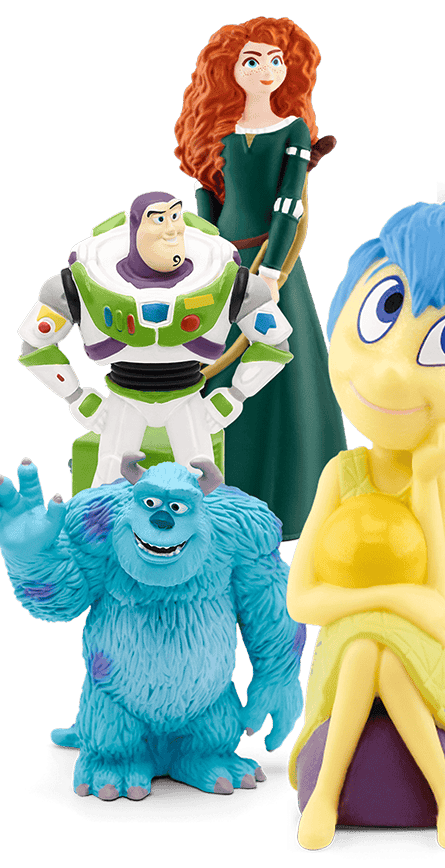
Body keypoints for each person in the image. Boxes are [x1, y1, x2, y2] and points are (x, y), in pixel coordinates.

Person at [286, 178, 445, 851]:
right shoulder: (340, 475)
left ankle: (336, 801)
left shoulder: (439, 482)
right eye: (385, 308)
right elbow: (302, 599)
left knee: (382, 654)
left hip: (422, 649)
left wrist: (430, 475)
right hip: (348, 641)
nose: (391, 374)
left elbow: (437, 604)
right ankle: (437, 801)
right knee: (366, 647)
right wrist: (382, 601)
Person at [175, 17, 345, 540]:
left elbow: (289, 205)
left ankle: (292, 500)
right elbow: (207, 205)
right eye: (253, 60)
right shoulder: (219, 133)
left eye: (277, 61)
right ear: (229, 70)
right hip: (223, 267)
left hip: (271, 265)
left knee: (282, 366)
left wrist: (270, 272)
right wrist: (204, 259)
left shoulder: (291, 130)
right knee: (215, 365)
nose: (266, 69)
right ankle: (209, 495)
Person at [18, 191, 287, 488]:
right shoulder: (80, 281)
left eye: (175, 215)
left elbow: (275, 343)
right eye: (159, 219)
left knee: (200, 479)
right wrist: (77, 398)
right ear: (136, 227)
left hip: (186, 397)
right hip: (124, 398)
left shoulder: (229, 279)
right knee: (109, 478)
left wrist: (234, 396)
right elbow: (35, 344)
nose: (171, 228)